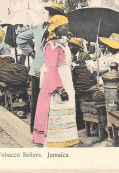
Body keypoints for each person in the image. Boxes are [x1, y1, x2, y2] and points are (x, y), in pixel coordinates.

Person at [16, 2, 66, 134]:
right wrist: (32, 53)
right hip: (48, 71)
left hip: (39, 69)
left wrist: (32, 53)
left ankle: (36, 129)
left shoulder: (39, 27)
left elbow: (20, 39)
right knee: (51, 101)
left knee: (38, 101)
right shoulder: (59, 29)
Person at [32, 15, 79, 148]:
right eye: (64, 25)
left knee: (67, 109)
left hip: (67, 80)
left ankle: (67, 140)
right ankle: (55, 142)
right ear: (57, 28)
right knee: (57, 108)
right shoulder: (51, 46)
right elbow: (51, 69)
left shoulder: (63, 44)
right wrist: (59, 89)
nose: (67, 28)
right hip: (57, 83)